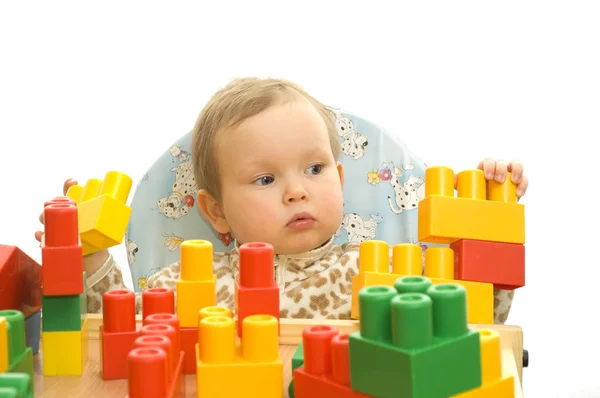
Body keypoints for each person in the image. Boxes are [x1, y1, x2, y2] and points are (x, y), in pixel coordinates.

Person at [35, 77, 529, 323]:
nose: (297, 189)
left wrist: (484, 225)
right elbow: (109, 337)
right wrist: (85, 255)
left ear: (340, 177)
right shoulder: (188, 282)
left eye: (314, 170)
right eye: (265, 179)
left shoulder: (391, 274)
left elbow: (476, 321)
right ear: (216, 212)